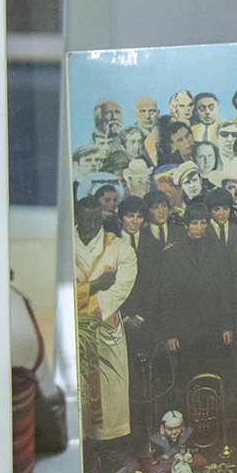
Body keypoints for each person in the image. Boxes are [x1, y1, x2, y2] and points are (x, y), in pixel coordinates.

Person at [74, 195, 136, 457]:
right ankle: (85, 452)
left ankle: (112, 451)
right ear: (76, 217)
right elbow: (61, 292)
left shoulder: (121, 248)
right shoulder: (65, 246)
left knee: (111, 399)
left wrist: (83, 300)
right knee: (80, 399)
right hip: (76, 333)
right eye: (84, 218)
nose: (89, 224)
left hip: (106, 329)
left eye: (94, 218)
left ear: (102, 216)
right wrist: (95, 286)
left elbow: (122, 288)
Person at [159, 202, 237, 401]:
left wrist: (227, 326)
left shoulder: (217, 248)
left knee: (214, 375)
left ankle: (216, 420)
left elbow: (225, 289)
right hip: (185, 329)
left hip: (212, 327)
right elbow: (167, 296)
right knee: (187, 377)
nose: (200, 228)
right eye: (195, 223)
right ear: (186, 225)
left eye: (203, 223)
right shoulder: (172, 252)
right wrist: (171, 333)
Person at [204, 186, 237, 328]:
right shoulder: (203, 233)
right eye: (216, 209)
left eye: (225, 208)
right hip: (211, 304)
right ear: (209, 211)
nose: (222, 213)